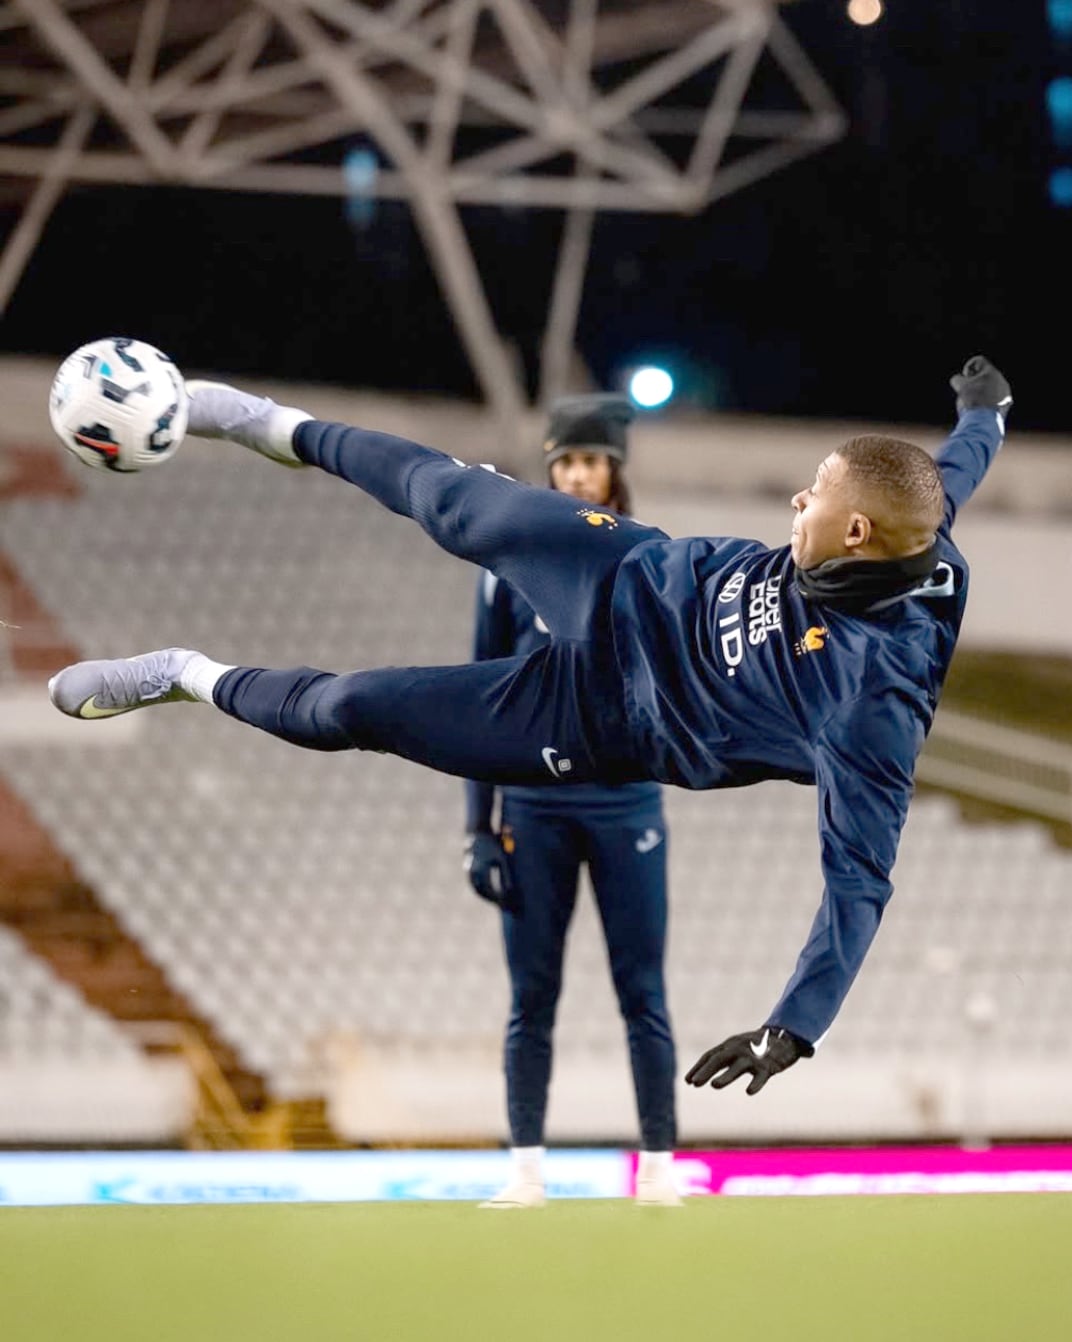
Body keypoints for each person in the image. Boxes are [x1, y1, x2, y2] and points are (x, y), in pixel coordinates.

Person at [48, 354, 1013, 1103]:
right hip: (625, 573)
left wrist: (794, 1026)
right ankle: (261, 422)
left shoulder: (868, 703)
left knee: (352, 712)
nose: (798, 500)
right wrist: (984, 415)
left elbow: (859, 880)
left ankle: (185, 675)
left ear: (855, 537)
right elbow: (944, 479)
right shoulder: (912, 527)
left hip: (596, 718)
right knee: (446, 497)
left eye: (817, 496)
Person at [463, 392, 679, 1208]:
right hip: (532, 809)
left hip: (627, 809)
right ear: (550, 469)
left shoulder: (651, 562)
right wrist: (475, 828)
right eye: (565, 461)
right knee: (532, 998)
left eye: (591, 460)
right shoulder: (508, 566)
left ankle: (658, 1170)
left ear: (614, 470)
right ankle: (524, 1172)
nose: (578, 474)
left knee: (644, 993)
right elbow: (482, 700)